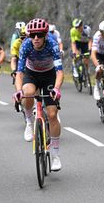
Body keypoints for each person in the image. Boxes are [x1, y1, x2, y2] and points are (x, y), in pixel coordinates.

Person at [13, 18, 64, 171]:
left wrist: (56, 88)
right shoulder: (26, 45)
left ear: (45, 35)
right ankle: (29, 123)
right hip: (31, 74)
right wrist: (18, 91)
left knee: (53, 114)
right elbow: (19, 72)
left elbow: (60, 72)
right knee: (27, 94)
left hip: (49, 75)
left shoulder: (52, 45)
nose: (35, 38)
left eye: (39, 35)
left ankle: (55, 155)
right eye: (32, 35)